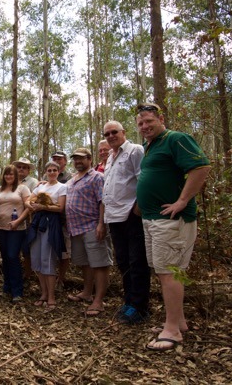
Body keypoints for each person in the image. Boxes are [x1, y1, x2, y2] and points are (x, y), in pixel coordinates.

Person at [135, 103, 210, 351]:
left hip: (171, 220)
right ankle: (178, 321)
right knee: (163, 270)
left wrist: (182, 200)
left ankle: (173, 331)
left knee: (170, 271)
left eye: (149, 121)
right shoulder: (150, 146)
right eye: (141, 124)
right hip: (153, 219)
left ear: (161, 119)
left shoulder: (176, 139)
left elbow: (201, 167)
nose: (145, 127)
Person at [101, 121, 150, 325]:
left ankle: (139, 307)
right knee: (123, 262)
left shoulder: (135, 151)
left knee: (137, 261)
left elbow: (144, 179)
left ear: (123, 132)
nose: (111, 136)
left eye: (114, 132)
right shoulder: (111, 158)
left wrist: (138, 207)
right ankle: (129, 301)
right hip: (114, 217)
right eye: (107, 133)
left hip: (131, 215)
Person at [65, 148, 112, 317]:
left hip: (93, 226)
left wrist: (101, 223)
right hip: (76, 228)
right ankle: (87, 292)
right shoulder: (72, 180)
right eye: (75, 159)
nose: (78, 161)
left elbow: (103, 201)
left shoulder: (97, 177)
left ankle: (98, 301)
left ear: (89, 159)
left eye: (81, 158)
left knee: (99, 263)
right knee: (85, 263)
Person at [27, 161, 66, 310]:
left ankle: (51, 297)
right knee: (36, 257)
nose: (51, 172)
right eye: (49, 170)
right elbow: (29, 200)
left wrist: (43, 206)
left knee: (48, 258)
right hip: (37, 222)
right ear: (45, 172)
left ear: (58, 171)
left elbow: (60, 207)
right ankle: (43, 294)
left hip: (51, 223)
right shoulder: (40, 187)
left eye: (54, 170)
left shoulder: (62, 187)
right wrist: (31, 205)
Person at [0, 164, 31, 303]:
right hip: (0, 228)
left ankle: (17, 291)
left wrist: (18, 221)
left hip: (16, 228)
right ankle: (6, 287)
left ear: (15, 176)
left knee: (12, 256)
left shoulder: (22, 188)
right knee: (5, 257)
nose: (9, 176)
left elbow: (28, 207)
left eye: (11, 174)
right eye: (6, 174)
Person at [51, 150, 72, 286]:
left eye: (59, 159)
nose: (57, 161)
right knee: (52, 248)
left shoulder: (70, 176)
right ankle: (51, 277)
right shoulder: (48, 175)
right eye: (54, 159)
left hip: (65, 219)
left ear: (65, 161)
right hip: (51, 220)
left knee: (65, 250)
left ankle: (61, 278)